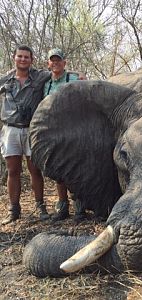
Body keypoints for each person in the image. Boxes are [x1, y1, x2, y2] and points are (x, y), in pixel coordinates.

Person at [0, 45, 50, 225]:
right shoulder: (5, 78)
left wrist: (77, 76)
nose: (23, 59)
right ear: (14, 58)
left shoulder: (39, 76)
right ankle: (13, 209)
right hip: (10, 129)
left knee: (35, 169)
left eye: (26, 57)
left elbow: (59, 71)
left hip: (32, 129)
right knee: (13, 170)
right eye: (20, 56)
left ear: (31, 59)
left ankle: (40, 207)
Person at [44, 48, 87, 222]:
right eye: (52, 60)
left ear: (64, 63)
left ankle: (80, 207)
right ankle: (62, 207)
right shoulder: (45, 84)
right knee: (58, 169)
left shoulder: (74, 79)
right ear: (48, 63)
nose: (55, 63)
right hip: (53, 132)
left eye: (58, 60)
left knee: (76, 168)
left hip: (73, 131)